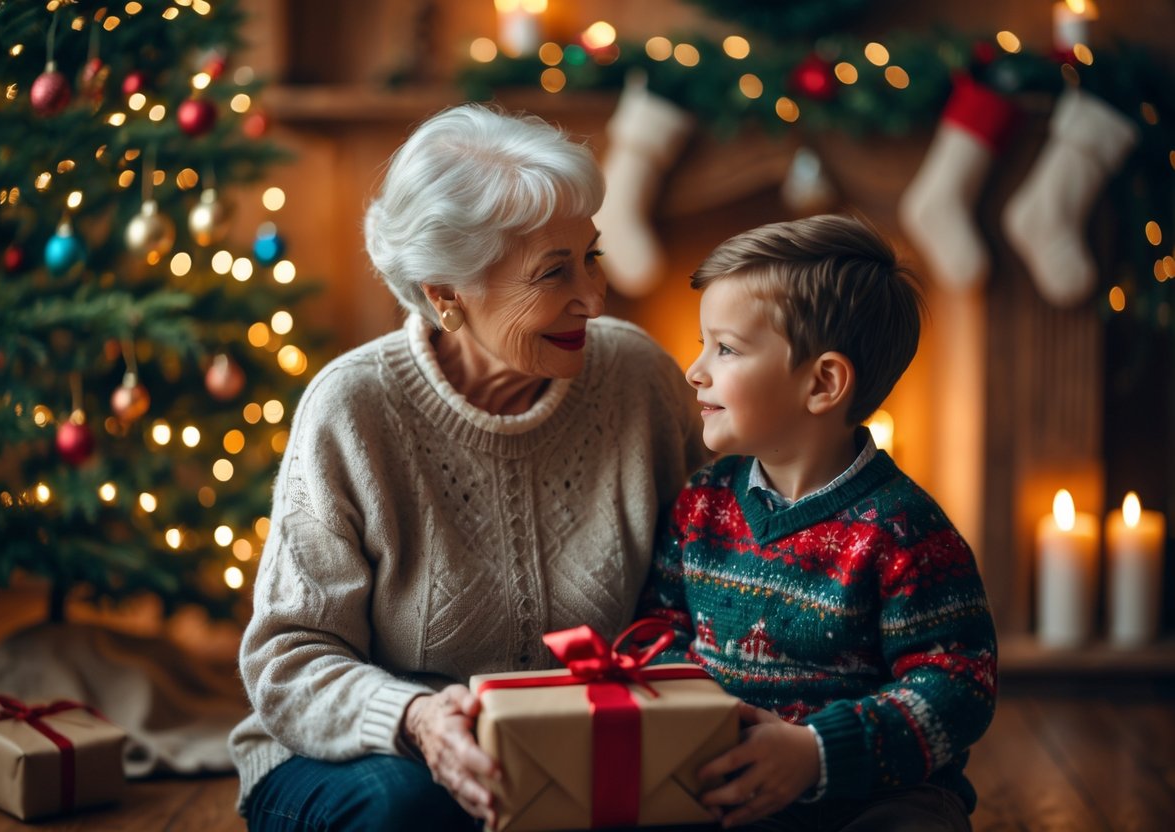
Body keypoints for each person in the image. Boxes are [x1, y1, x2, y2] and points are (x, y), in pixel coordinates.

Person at [229, 103, 709, 831]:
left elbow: (709, 589)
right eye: (553, 274)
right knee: (410, 810)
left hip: (578, 740)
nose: (593, 295)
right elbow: (288, 660)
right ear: (444, 296)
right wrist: (415, 716)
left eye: (591, 257)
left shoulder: (639, 378)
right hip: (368, 753)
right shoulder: (353, 407)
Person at [642, 214, 998, 831]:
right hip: (723, 774)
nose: (695, 370)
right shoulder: (702, 505)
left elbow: (958, 684)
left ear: (823, 382)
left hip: (868, 790)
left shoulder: (904, 530)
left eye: (724, 349)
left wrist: (817, 752)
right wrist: (695, 716)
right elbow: (659, 627)